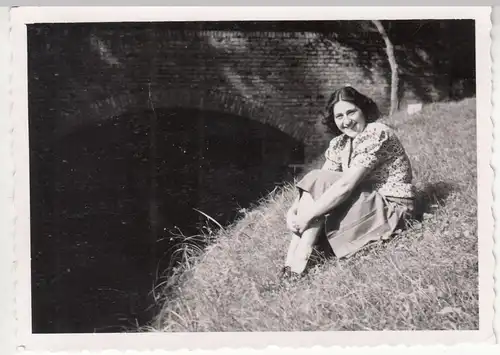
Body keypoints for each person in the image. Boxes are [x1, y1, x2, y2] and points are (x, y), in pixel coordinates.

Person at [280, 86, 416, 281]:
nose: (346, 121)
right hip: (368, 205)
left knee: (321, 182)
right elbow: (316, 184)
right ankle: (288, 266)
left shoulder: (376, 132)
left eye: (351, 112)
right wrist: (292, 211)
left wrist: (306, 216)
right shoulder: (339, 143)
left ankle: (299, 263)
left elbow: (345, 186)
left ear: (363, 110)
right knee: (319, 178)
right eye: (339, 116)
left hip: (393, 209)